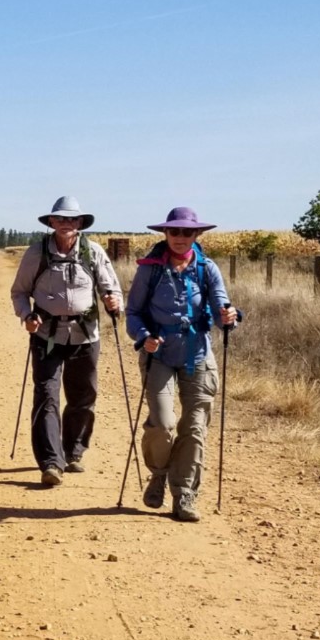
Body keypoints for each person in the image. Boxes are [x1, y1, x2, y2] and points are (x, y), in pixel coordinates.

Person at [125, 206, 237, 522]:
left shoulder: (207, 268)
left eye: (187, 232)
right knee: (162, 424)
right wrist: (144, 336)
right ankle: (159, 473)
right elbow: (132, 313)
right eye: (174, 231)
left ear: (197, 234)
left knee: (196, 427)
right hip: (158, 354)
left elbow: (221, 309)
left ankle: (185, 493)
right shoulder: (150, 269)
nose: (180, 237)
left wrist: (229, 317)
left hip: (198, 355)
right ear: (165, 233)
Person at [10, 197, 124, 487]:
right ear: (51, 222)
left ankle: (73, 451)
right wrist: (26, 315)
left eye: (72, 220)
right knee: (46, 395)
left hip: (85, 336)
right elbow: (20, 292)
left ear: (80, 224)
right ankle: (51, 462)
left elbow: (111, 288)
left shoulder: (93, 252)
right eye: (60, 219)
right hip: (46, 334)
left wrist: (114, 302)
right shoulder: (36, 254)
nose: (66, 224)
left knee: (83, 396)